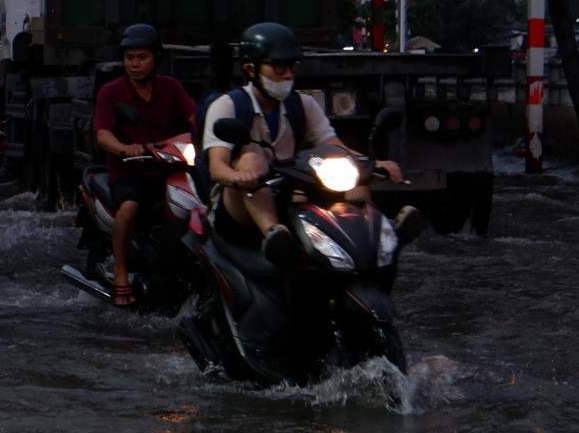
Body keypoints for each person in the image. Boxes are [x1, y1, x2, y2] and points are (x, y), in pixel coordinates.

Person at [201, 22, 403, 266]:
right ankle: (275, 236)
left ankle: (374, 234)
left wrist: (371, 163)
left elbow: (335, 146)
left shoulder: (303, 105)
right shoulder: (227, 106)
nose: (288, 74)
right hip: (240, 204)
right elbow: (217, 167)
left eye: (293, 66)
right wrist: (238, 177)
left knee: (351, 169)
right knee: (251, 159)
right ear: (250, 69)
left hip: (291, 196)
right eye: (278, 67)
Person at [91, 24, 194, 306]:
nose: (135, 64)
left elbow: (194, 116)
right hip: (129, 170)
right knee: (130, 207)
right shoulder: (111, 92)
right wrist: (124, 148)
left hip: (169, 168)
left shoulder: (171, 88)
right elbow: (103, 134)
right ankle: (120, 269)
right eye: (130, 58)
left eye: (142, 57)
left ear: (156, 57)